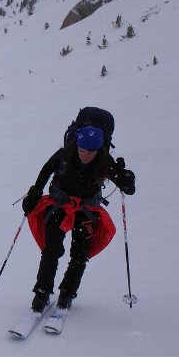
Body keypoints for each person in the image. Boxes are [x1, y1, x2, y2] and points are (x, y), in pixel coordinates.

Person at [21, 125, 136, 312]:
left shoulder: (105, 161)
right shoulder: (64, 155)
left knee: (80, 254)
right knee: (51, 250)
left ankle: (67, 292)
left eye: (91, 152)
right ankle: (42, 292)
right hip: (59, 205)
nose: (85, 155)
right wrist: (35, 192)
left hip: (86, 210)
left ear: (99, 150)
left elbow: (128, 188)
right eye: (82, 150)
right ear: (77, 145)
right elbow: (46, 171)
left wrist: (127, 179)